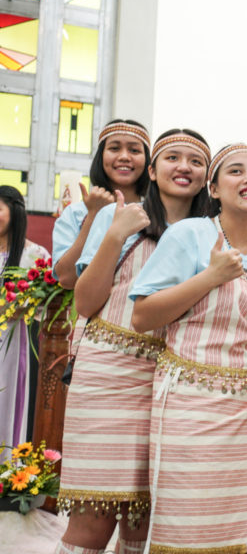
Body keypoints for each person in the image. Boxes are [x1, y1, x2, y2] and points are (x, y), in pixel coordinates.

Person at [130, 143, 247, 553]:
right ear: (214, 188)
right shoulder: (191, 234)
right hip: (191, 408)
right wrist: (210, 276)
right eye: (236, 172)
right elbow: (143, 316)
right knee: (192, 528)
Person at [56, 130, 211, 554]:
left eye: (195, 161)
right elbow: (86, 302)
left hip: (171, 384)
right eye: (173, 158)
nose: (184, 167)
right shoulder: (120, 215)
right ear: (154, 170)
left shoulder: (209, 233)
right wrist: (112, 234)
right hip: (107, 375)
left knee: (147, 523)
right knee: (92, 519)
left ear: (206, 178)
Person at [52, 119, 151, 288]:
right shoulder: (76, 214)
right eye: (114, 148)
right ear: (101, 156)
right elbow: (67, 278)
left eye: (134, 150)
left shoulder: (156, 212)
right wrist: (93, 216)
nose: (124, 157)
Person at [0, 186, 49, 450]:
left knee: (9, 398)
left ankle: (8, 468)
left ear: (15, 213)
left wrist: (21, 306)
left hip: (15, 339)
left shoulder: (36, 255)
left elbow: (45, 304)